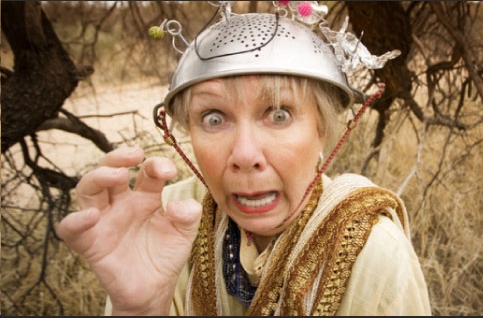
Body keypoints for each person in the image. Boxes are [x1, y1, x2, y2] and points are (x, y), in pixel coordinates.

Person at [56, 1, 431, 316]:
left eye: (279, 114)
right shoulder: (166, 222)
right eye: (214, 118)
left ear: (324, 129)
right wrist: (138, 310)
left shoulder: (371, 253)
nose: (245, 155)